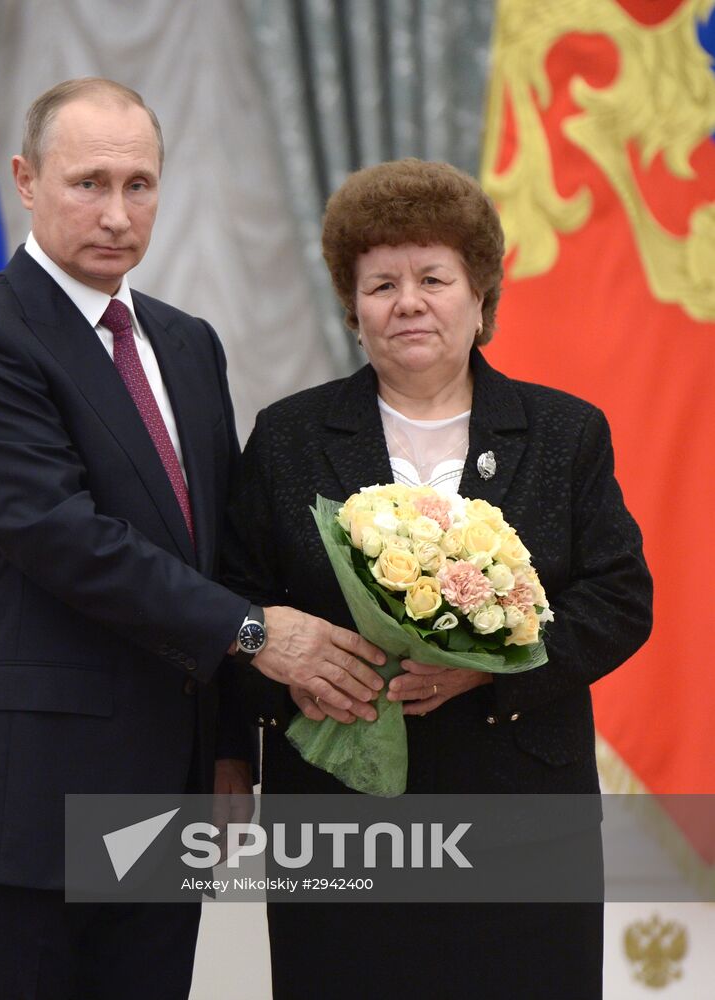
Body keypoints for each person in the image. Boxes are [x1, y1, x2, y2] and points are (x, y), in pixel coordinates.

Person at [0, 77, 385, 1000]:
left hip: (165, 800)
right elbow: (62, 538)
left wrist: (226, 749)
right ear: (25, 179)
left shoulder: (187, 343)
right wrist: (259, 633)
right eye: (88, 182)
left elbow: (214, 552)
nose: (117, 213)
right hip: (25, 801)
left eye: (140, 185)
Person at [222, 159, 653, 999]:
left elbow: (620, 597)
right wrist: (284, 691)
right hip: (341, 818)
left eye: (433, 276)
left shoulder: (566, 432)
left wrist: (495, 670)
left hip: (524, 808)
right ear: (352, 308)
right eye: (380, 283)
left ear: (480, 293)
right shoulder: (288, 437)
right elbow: (235, 599)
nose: (408, 301)